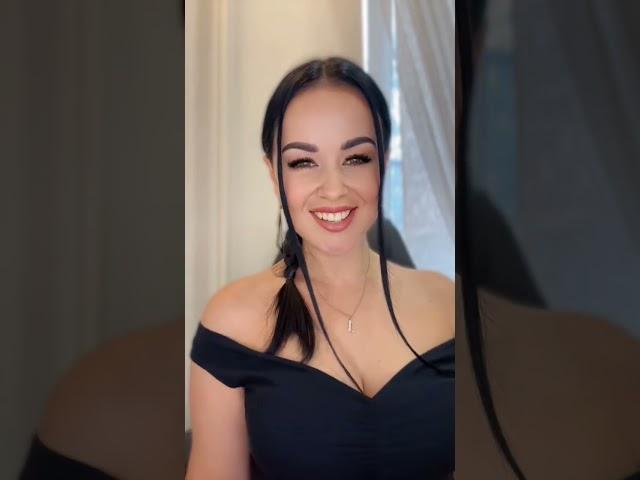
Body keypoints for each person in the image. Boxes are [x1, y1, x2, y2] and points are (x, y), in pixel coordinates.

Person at [187, 57, 455, 479]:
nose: (334, 189)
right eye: (303, 162)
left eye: (356, 158)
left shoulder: (447, 303)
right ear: (274, 175)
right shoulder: (232, 321)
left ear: (383, 165)